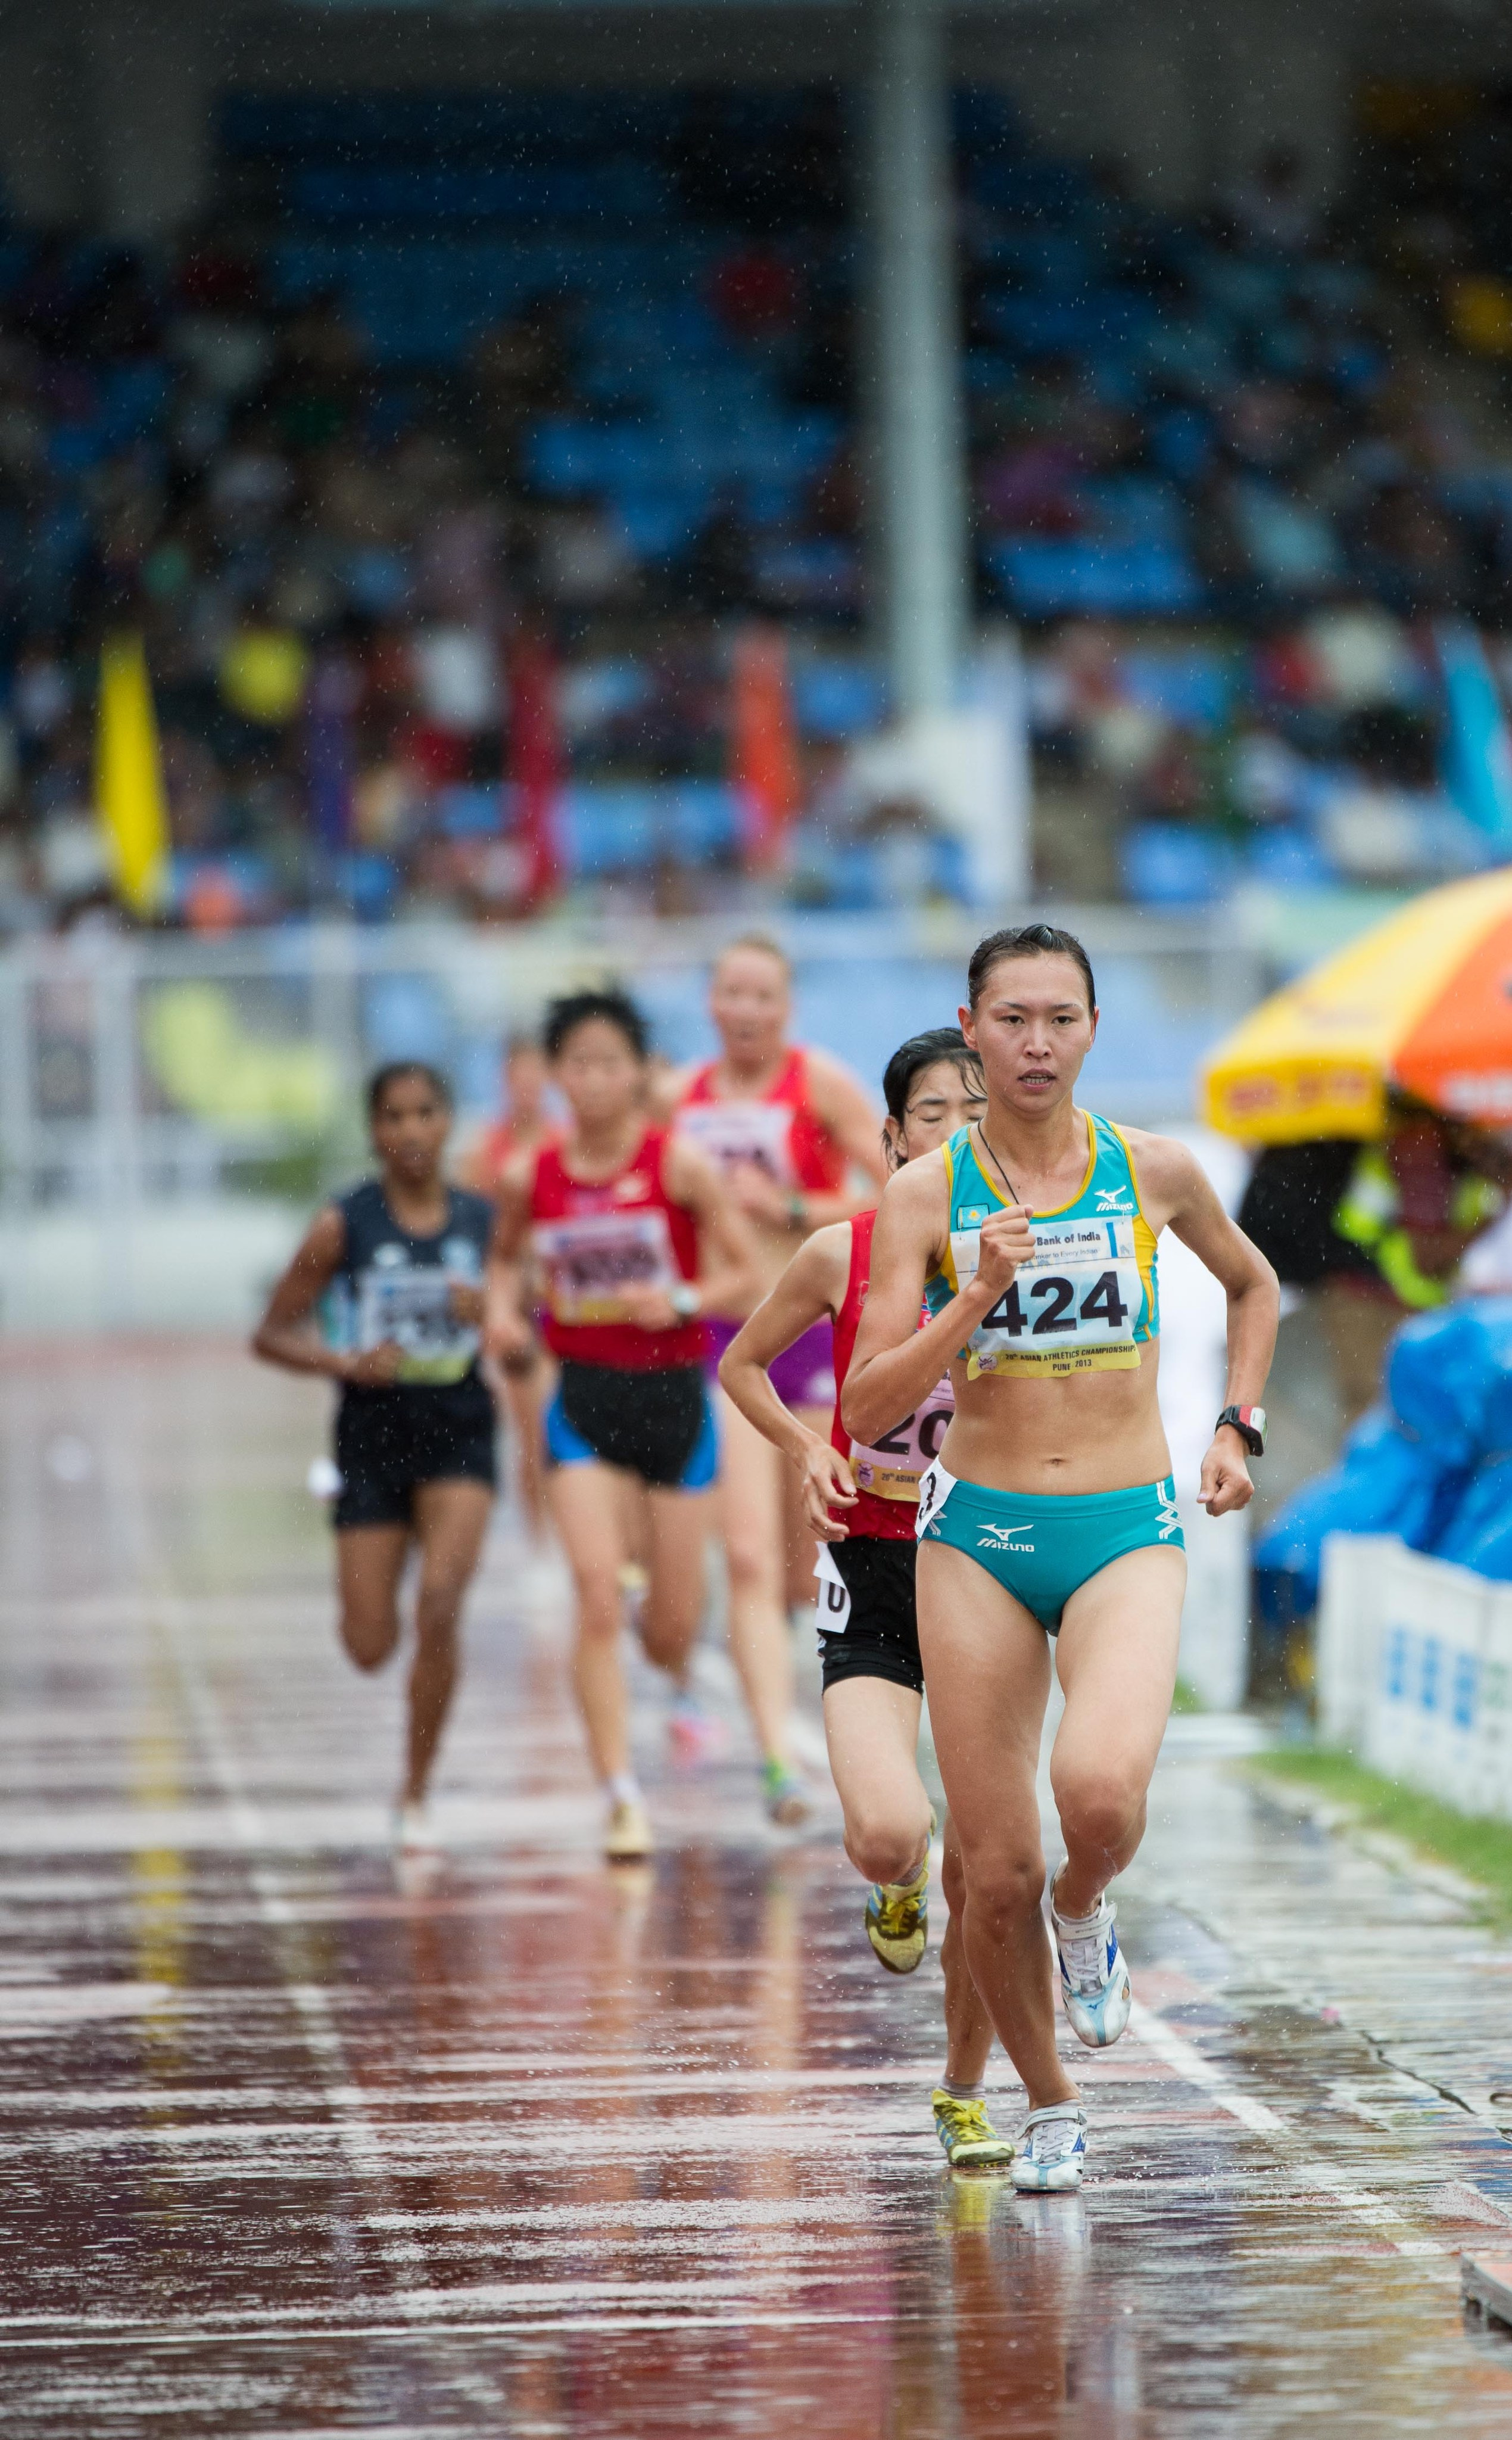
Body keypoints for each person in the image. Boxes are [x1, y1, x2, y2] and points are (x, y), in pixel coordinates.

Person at [843, 925, 1279, 2193]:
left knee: (1094, 1800)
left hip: (1124, 1524)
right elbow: (867, 1406)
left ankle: (1089, 1911)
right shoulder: (926, 1195)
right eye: (1013, 1019)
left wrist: (1236, 1423)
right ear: (970, 1033)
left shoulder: (1152, 1169)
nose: (1038, 1043)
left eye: (1061, 1018)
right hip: (975, 1534)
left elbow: (1252, 1290)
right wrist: (971, 1300)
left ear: (1093, 1029)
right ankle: (1049, 2103)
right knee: (994, 1869)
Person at [719, 1026, 1015, 2171]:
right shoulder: (838, 1254)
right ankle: (892, 1882)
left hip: (987, 1566)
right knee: (894, 1831)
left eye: (973, 1111)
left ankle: (963, 2090)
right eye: (931, 1114)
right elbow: (742, 1365)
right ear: (890, 1139)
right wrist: (805, 1447)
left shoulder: (1032, 1265)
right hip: (874, 1570)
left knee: (986, 1868)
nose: (953, 1131)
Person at [490, 988, 759, 1863]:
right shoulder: (531, 1175)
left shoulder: (677, 1164)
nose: (594, 1080)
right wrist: (502, 1313)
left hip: (675, 1403)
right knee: (595, 1597)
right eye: (578, 1063)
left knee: (669, 1629)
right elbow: (500, 1264)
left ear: (639, 1073)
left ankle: (671, 1648)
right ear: (556, 1074)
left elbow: (745, 1274)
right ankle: (618, 1795)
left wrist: (678, 1298)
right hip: (583, 1405)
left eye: (612, 1063)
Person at [251, 1062, 506, 1851]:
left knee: (440, 1604)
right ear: (374, 1131)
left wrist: (495, 1312)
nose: (409, 1130)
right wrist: (343, 1361)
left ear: (447, 1122)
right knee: (369, 1646)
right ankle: (376, 1599)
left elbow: (527, 1331)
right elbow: (271, 1333)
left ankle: (415, 1791)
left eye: (424, 1112)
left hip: (460, 1428)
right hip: (370, 1438)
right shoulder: (343, 1224)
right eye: (392, 1116)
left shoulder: (483, 1223)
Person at [670, 934, 886, 1823]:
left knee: (814, 1555)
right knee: (750, 1555)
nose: (748, 1011)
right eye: (733, 993)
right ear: (711, 1004)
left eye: (764, 995)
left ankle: (826, 1677)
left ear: (785, 1006)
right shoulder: (675, 1101)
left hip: (815, 1331)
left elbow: (891, 1191)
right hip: (730, 1337)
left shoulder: (822, 1084)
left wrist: (791, 1207)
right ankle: (774, 1762)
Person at [460, 1034, 558, 1539]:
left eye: (536, 1080)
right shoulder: (486, 1151)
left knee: (568, 1427)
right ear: (504, 1082)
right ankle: (540, 1543)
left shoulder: (563, 1140)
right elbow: (474, 1231)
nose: (528, 1091)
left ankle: (570, 1536)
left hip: (562, 1302)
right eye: (518, 1081)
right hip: (517, 1306)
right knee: (532, 1429)